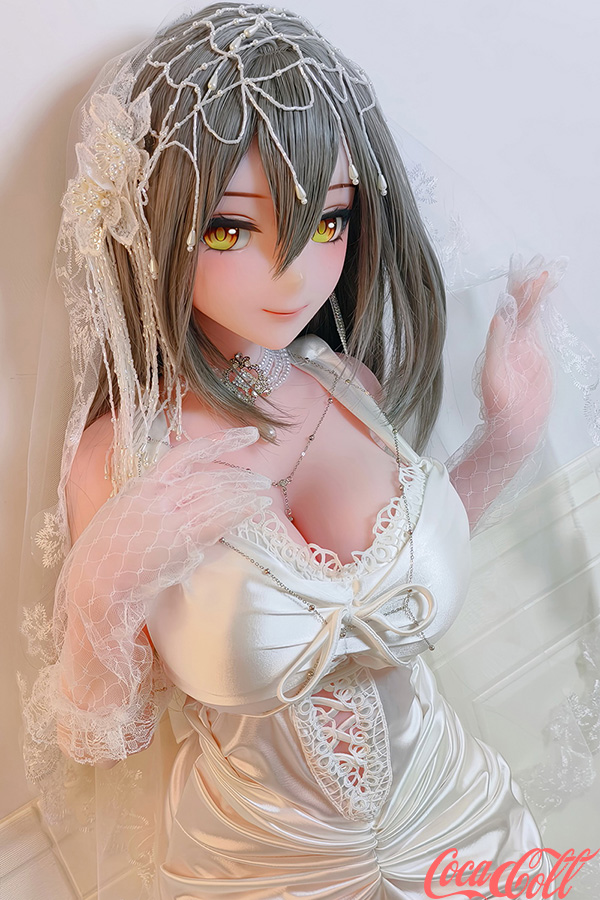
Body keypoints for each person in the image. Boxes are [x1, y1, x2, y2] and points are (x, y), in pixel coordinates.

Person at [16, 4, 597, 899]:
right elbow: (109, 740)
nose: (295, 274)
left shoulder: (343, 382)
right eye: (231, 229)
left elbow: (402, 591)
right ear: (153, 225)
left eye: (328, 221)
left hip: (461, 821)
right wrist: (103, 589)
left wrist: (505, 438)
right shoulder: (120, 461)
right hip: (263, 864)